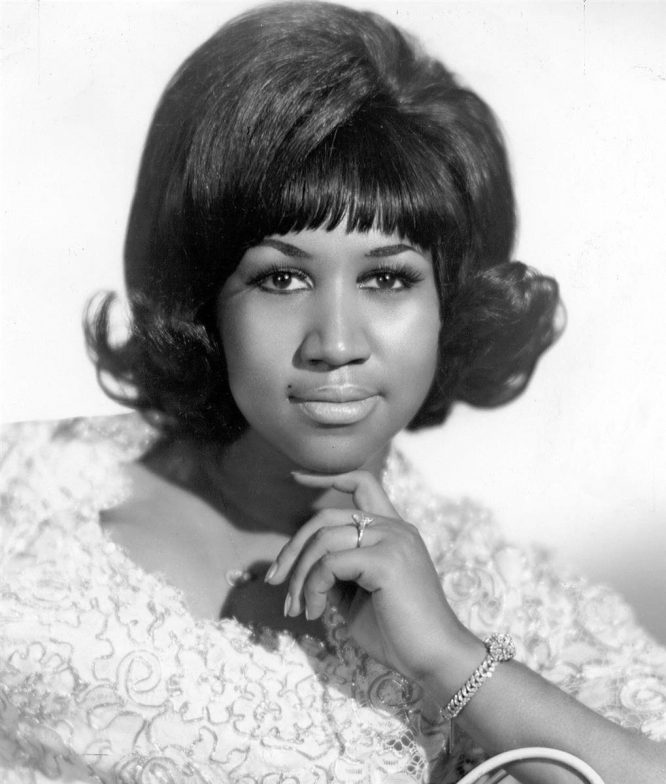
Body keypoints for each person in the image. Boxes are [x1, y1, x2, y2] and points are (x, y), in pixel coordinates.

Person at [1, 2, 665, 782]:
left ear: (451, 303)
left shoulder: (500, 591)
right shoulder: (24, 499)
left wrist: (449, 660)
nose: (337, 343)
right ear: (205, 294)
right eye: (281, 278)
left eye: (389, 278)